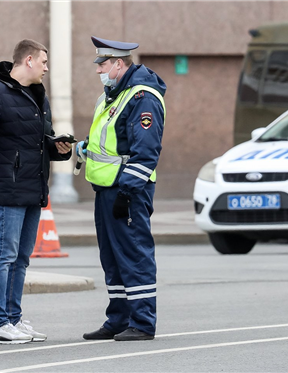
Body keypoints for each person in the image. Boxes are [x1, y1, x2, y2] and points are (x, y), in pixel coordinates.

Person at [0, 39, 72, 344]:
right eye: (44, 62)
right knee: (4, 255)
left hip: (34, 187)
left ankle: (12, 318)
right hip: (8, 188)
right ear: (27, 60)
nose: (46, 69)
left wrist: (58, 148)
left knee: (21, 258)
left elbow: (39, 142)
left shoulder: (37, 95)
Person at [78, 36, 167, 341]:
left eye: (102, 64)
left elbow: (146, 152)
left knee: (134, 255)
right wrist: (81, 148)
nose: (99, 70)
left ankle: (142, 322)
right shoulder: (111, 96)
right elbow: (109, 145)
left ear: (118, 63)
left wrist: (128, 192)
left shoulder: (142, 97)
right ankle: (119, 318)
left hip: (127, 190)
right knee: (112, 258)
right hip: (107, 189)